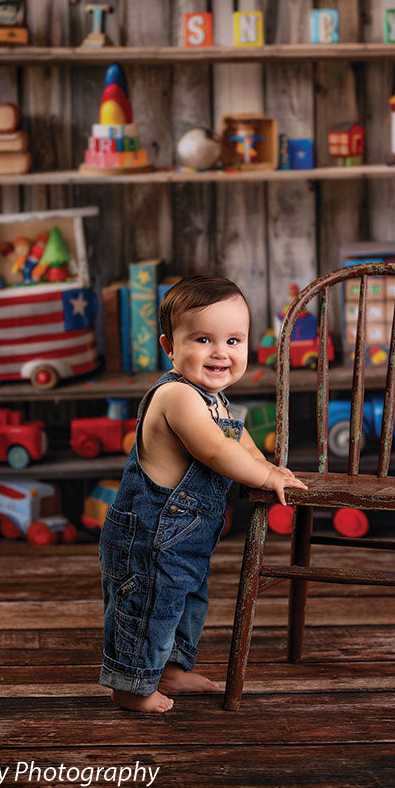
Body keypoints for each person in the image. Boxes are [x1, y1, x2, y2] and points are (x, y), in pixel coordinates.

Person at [98, 275, 307, 713]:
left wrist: (266, 466)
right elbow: (214, 449)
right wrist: (264, 480)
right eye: (202, 339)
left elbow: (238, 439)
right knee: (149, 603)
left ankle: (170, 668)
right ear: (169, 347)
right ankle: (131, 684)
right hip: (150, 534)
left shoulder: (215, 399)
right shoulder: (177, 395)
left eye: (233, 340)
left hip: (183, 538)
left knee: (185, 600)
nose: (220, 352)